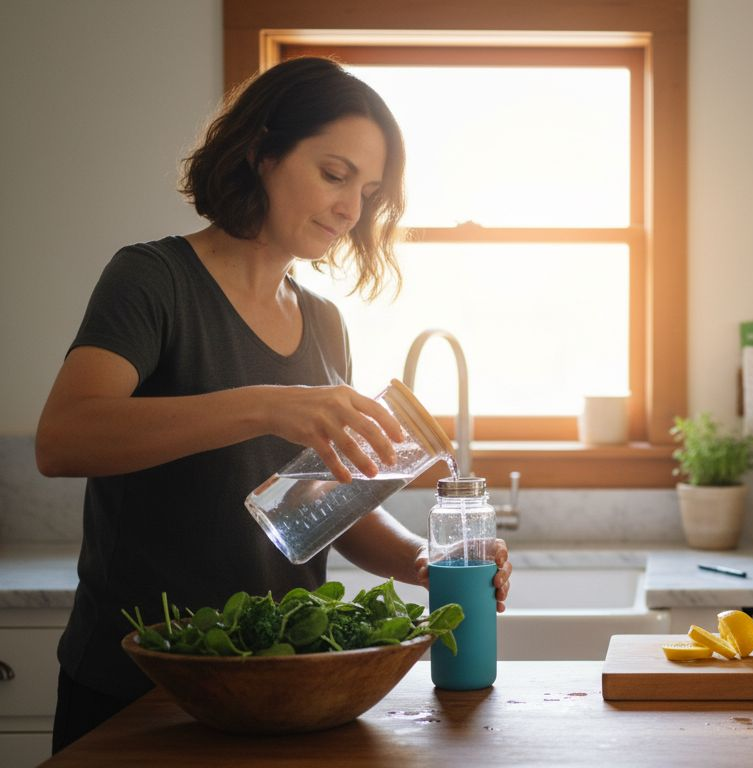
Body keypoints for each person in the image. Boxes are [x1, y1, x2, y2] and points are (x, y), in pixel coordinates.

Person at [33, 56, 512, 752]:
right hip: (137, 684)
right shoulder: (152, 279)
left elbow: (321, 511)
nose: (351, 209)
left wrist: (422, 561)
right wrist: (266, 405)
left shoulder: (323, 322)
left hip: (283, 683)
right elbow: (64, 438)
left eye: (369, 190)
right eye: (334, 173)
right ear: (261, 152)